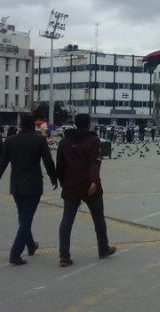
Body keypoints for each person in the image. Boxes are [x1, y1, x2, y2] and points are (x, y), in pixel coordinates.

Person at [0, 114, 57, 266]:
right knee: (25, 219)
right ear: (33, 125)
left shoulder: (10, 141)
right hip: (33, 186)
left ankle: (31, 245)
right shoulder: (39, 140)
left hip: (17, 186)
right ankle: (15, 253)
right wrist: (54, 178)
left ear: (20, 125)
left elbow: (1, 165)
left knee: (23, 217)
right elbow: (48, 161)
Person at [56, 113, 116, 267]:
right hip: (89, 185)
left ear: (75, 124)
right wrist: (94, 181)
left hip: (70, 185)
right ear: (88, 124)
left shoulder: (64, 142)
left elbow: (60, 166)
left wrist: (63, 183)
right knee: (98, 218)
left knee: (67, 220)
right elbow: (95, 162)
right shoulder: (93, 140)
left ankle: (64, 255)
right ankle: (103, 248)